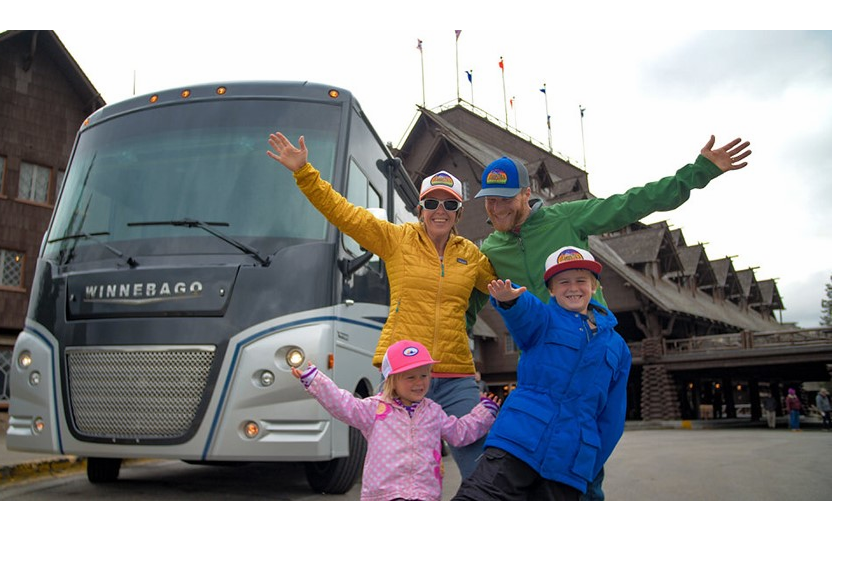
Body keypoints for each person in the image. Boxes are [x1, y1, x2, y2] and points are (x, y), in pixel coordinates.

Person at [470, 135, 752, 498]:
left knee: (580, 460)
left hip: (590, 346)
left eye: (506, 198)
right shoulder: (491, 248)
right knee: (519, 460)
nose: (497, 208)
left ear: (526, 194)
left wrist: (698, 172)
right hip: (541, 355)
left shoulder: (566, 219)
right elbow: (472, 296)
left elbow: (631, 204)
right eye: (490, 200)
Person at [267, 132, 497, 481]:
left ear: (459, 213)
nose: (440, 211)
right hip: (402, 373)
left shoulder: (471, 256)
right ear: (419, 210)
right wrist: (304, 172)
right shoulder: (396, 240)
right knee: (397, 468)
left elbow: (505, 284)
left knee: (481, 469)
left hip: (455, 375)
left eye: (450, 204)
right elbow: (343, 213)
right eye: (432, 203)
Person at [453, 246, 631, 501]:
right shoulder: (544, 320)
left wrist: (588, 466)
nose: (573, 288)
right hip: (517, 439)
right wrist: (510, 299)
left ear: (595, 287)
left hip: (570, 459)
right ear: (551, 289)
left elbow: (612, 417)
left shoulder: (618, 347)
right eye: (563, 282)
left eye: (581, 281)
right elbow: (524, 312)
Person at [294, 340, 498, 500]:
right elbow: (343, 404)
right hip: (384, 496)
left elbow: (458, 433)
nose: (419, 383)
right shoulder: (375, 409)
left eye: (424, 375)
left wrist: (485, 412)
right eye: (410, 377)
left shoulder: (433, 411)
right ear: (391, 379)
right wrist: (316, 380)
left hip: (424, 496)